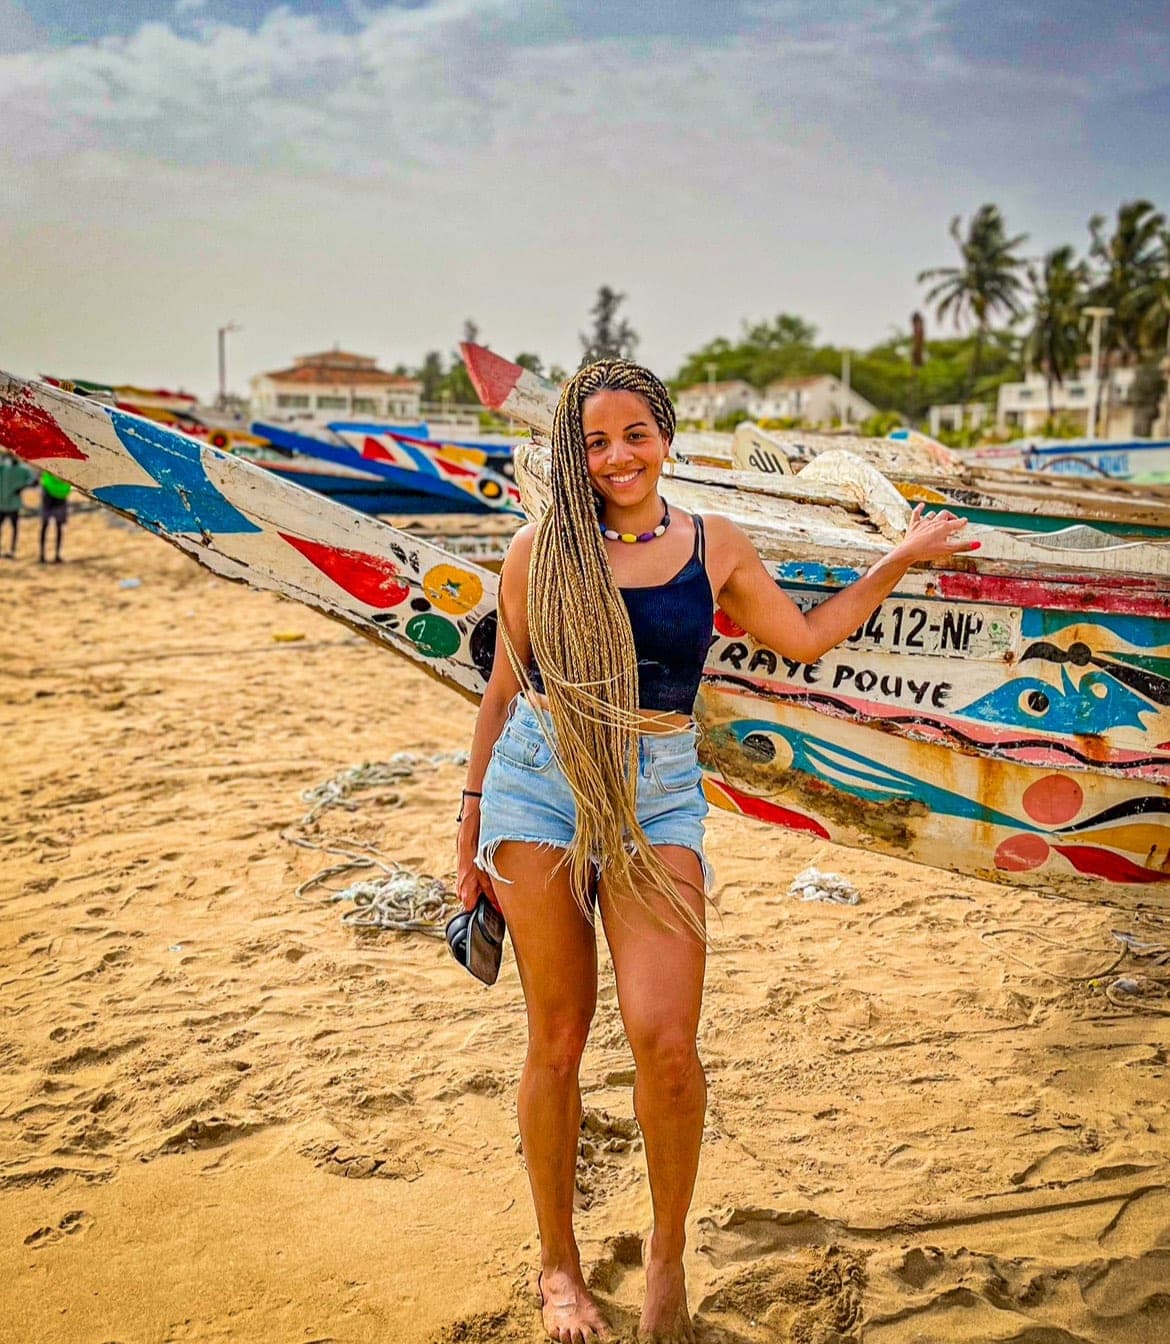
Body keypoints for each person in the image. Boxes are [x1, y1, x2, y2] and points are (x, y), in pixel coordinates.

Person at [456, 361, 976, 1344]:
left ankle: (665, 1255)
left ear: (667, 436)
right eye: (595, 440)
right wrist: (466, 824)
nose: (616, 457)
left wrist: (900, 556)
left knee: (666, 1040)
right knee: (558, 1038)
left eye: (634, 435)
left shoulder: (712, 545)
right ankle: (558, 1268)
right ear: (576, 450)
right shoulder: (539, 548)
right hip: (539, 781)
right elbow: (500, 691)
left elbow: (809, 637)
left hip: (654, 789)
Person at [0, 450, 36, 559]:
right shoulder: (4, 468)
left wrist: (22, 487)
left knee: (14, 528)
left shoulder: (23, 469)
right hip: (2, 503)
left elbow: (34, 481)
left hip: (13, 504)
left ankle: (12, 550)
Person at [39, 470, 72, 564]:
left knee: (46, 527)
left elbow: (44, 481)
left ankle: (43, 555)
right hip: (57, 500)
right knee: (57, 528)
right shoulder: (63, 470)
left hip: (49, 501)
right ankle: (55, 555)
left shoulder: (48, 470)